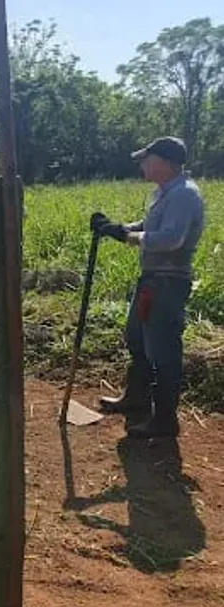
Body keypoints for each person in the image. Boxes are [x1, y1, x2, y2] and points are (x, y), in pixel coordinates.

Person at [91, 136, 205, 439]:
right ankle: (136, 399)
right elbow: (149, 225)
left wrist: (127, 238)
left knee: (162, 351)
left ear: (166, 163)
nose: (143, 164)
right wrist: (118, 227)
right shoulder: (165, 192)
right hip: (152, 280)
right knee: (137, 340)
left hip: (168, 283)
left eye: (147, 159)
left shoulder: (184, 195)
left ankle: (164, 420)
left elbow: (171, 238)